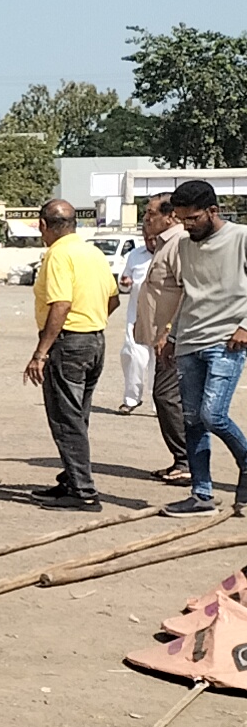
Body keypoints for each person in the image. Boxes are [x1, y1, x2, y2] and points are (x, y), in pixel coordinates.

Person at [154, 180, 247, 516]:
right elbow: (189, 295)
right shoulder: (185, 246)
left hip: (226, 341)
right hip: (189, 341)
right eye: (181, 219)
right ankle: (201, 494)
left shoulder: (240, 237)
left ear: (212, 211)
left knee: (213, 415)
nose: (187, 226)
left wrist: (245, 326)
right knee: (191, 420)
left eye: (192, 219)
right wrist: (172, 335)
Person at [24, 199, 120, 510]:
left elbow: (61, 304)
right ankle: (71, 477)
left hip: (68, 344)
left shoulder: (58, 254)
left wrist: (41, 352)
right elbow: (113, 299)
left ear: (43, 225)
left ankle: (83, 490)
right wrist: (91, 320)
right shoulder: (92, 252)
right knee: (78, 416)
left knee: (66, 418)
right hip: (94, 340)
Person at [134, 194, 189, 482]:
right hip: (164, 338)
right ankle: (183, 461)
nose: (146, 218)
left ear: (170, 216)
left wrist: (169, 330)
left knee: (166, 396)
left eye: (151, 213)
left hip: (175, 339)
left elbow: (185, 292)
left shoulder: (179, 243)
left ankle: (186, 462)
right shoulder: (164, 244)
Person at [117, 233, 154, 414]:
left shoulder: (171, 253)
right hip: (136, 315)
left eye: (154, 238)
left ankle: (159, 405)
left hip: (162, 317)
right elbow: (125, 283)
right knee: (133, 357)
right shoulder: (135, 255)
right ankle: (131, 399)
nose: (150, 242)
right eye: (147, 238)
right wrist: (125, 283)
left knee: (160, 361)